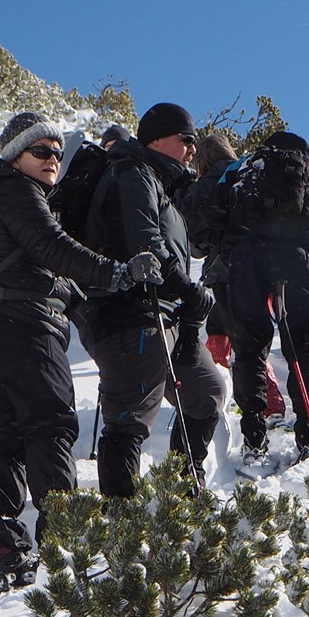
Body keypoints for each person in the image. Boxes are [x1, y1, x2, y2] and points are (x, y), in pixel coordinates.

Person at [0, 111, 161, 588]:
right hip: (26, 329)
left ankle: (5, 546)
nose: (52, 159)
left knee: (7, 433)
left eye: (56, 151)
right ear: (16, 156)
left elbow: (41, 263)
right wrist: (118, 272)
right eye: (40, 151)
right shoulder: (17, 192)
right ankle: (62, 547)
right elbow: (53, 247)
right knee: (51, 425)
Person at [77, 102, 226, 491]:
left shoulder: (160, 183)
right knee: (130, 418)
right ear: (157, 139)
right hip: (129, 314)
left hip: (167, 315)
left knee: (206, 393)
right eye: (186, 140)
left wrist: (186, 298)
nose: (192, 149)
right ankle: (122, 517)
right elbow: (147, 246)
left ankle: (181, 494)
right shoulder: (132, 173)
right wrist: (189, 289)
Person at [213, 130, 309, 460]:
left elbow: (211, 212)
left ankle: (254, 434)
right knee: (301, 341)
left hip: (246, 260)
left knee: (250, 345)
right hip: (293, 259)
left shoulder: (242, 167)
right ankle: (308, 430)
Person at [177, 132, 285, 421]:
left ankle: (266, 404)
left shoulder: (204, 186)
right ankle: (226, 373)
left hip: (226, 271)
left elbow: (195, 243)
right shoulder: (249, 175)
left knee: (245, 340)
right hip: (265, 268)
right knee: (239, 329)